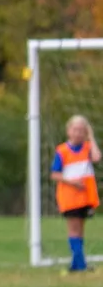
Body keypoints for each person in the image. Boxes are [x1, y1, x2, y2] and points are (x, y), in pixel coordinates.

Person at [50, 115, 101, 273]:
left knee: (80, 230)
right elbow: (54, 174)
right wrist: (73, 183)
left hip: (84, 197)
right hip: (70, 197)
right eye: (75, 129)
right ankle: (81, 265)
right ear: (68, 131)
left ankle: (76, 264)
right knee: (73, 229)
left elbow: (97, 157)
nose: (78, 133)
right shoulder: (62, 151)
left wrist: (91, 136)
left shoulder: (87, 148)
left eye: (82, 130)